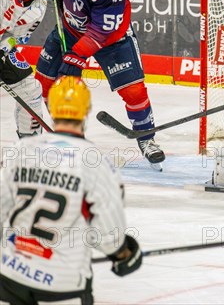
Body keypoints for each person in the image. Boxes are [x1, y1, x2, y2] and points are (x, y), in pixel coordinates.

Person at [0, 76, 142, 304]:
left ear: (52, 108)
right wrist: (124, 255)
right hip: (61, 283)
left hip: (10, 275)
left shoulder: (21, 150)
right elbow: (108, 236)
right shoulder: (95, 163)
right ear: (86, 110)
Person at [34, 0, 165, 168]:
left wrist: (76, 57)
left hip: (111, 37)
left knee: (134, 91)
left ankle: (147, 139)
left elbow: (100, 31)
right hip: (71, 27)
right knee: (44, 82)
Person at [1, 0, 68, 138]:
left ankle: (30, 147)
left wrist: (3, 50)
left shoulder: (39, 6)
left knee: (30, 89)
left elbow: (14, 38)